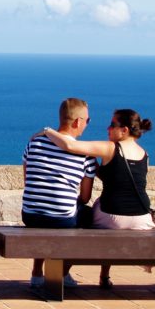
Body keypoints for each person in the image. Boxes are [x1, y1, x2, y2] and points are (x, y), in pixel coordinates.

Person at [43, 108, 155, 289]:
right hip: (142, 218)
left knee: (81, 219)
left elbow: (70, 146)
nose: (108, 128)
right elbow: (120, 178)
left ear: (124, 130)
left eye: (112, 125)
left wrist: (48, 131)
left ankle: (62, 272)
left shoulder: (110, 147)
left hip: (113, 215)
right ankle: (104, 276)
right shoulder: (144, 154)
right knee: (105, 219)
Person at [22, 98, 97, 288]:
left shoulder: (35, 142)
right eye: (87, 120)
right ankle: (62, 273)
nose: (87, 124)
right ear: (78, 122)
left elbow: (27, 178)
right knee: (89, 217)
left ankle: (37, 273)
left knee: (45, 217)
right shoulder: (85, 154)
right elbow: (86, 197)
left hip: (30, 214)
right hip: (62, 218)